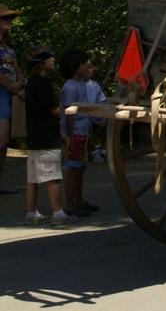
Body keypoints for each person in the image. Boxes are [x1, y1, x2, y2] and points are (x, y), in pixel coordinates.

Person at [22, 46, 77, 225]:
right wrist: (67, 112)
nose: (54, 60)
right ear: (42, 63)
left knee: (33, 178)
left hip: (35, 137)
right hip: (46, 136)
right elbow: (53, 110)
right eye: (50, 58)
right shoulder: (43, 83)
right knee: (52, 176)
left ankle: (31, 212)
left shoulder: (30, 82)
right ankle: (58, 213)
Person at [60, 50, 106, 217]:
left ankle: (79, 200)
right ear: (75, 66)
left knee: (80, 168)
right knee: (73, 168)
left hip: (84, 131)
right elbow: (69, 113)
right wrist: (70, 137)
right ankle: (71, 204)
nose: (88, 65)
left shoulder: (88, 85)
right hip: (76, 133)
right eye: (84, 62)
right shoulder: (70, 87)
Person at [0, 4, 23, 194]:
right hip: (2, 91)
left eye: (10, 19)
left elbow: (16, 68)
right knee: (2, 137)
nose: (9, 22)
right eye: (5, 19)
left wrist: (19, 82)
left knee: (4, 140)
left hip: (9, 93)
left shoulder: (7, 46)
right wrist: (10, 85)